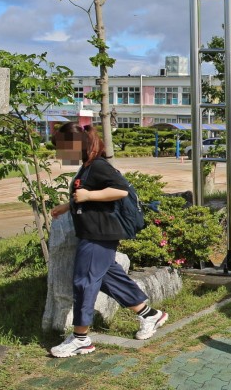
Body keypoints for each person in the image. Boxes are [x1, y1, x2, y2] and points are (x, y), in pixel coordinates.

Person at [48, 122, 168, 357]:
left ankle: (81, 338)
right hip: (94, 233)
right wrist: (67, 206)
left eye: (62, 148)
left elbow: (120, 190)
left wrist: (89, 194)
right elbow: (86, 198)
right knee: (106, 278)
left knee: (84, 281)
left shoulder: (99, 165)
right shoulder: (87, 166)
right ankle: (150, 315)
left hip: (100, 235)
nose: (59, 153)